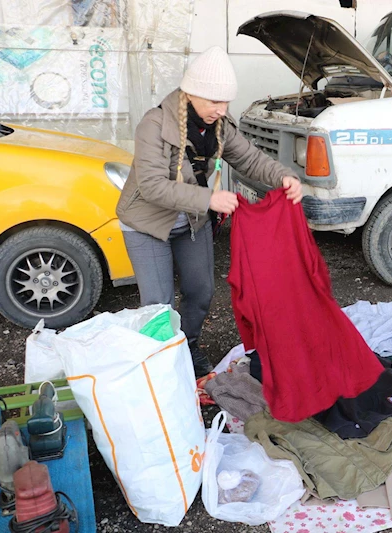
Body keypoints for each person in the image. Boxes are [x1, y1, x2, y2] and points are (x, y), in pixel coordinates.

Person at [116, 46, 301, 377]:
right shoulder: (154, 125)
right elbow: (152, 187)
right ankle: (161, 363)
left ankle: (188, 347)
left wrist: (284, 176)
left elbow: (250, 159)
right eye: (213, 101)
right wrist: (209, 200)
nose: (221, 109)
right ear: (190, 93)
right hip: (147, 224)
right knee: (158, 305)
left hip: (190, 220)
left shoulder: (219, 126)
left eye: (225, 101)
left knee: (200, 290)